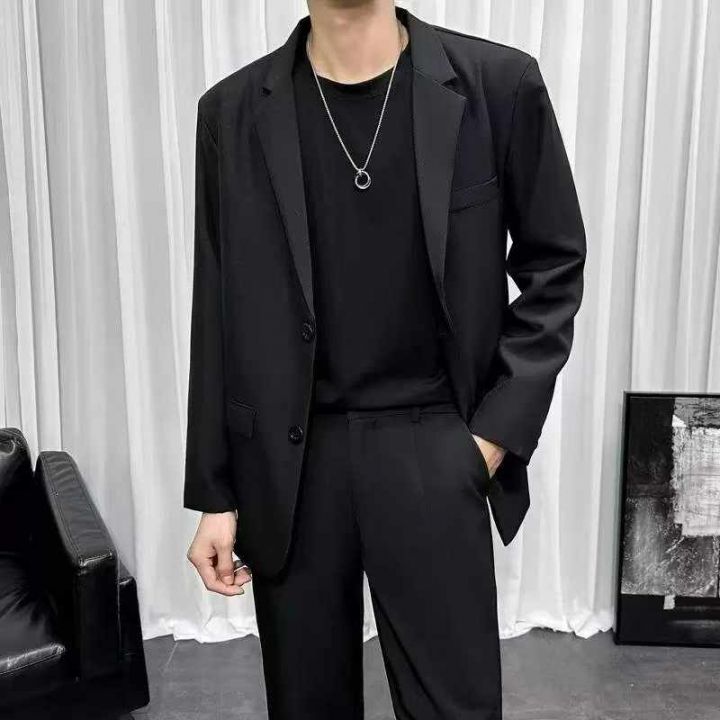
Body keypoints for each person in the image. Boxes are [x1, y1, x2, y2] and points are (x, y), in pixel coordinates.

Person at [184, 1, 586, 718]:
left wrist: (491, 438)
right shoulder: (232, 114)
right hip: (294, 462)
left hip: (435, 443)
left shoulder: (498, 85)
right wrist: (215, 492)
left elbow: (555, 264)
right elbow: (217, 307)